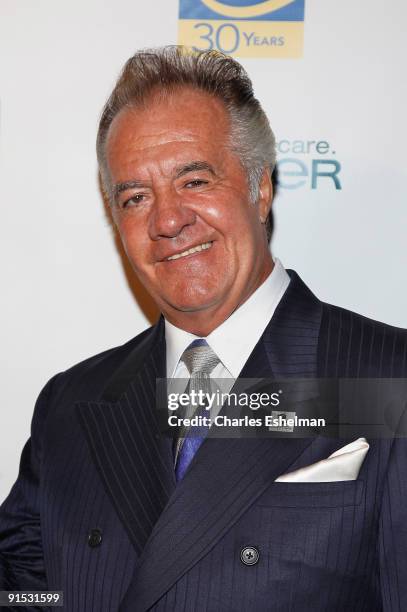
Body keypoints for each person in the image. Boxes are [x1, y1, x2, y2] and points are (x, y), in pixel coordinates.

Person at [1, 46, 407, 612]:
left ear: (259, 189)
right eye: (136, 197)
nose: (167, 221)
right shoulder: (72, 403)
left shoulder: (391, 382)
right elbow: (26, 592)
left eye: (194, 181)